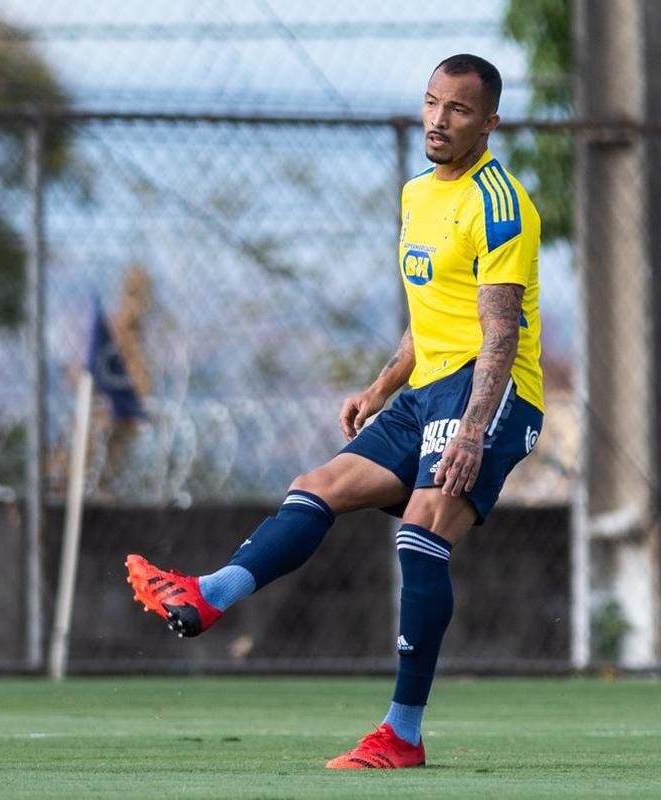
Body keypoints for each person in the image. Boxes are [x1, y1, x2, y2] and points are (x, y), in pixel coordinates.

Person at [125, 53, 543, 770]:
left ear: (489, 123)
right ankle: (209, 597)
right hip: (425, 389)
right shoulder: (417, 194)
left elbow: (497, 332)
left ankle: (400, 735)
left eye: (458, 110)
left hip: (489, 390)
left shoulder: (499, 203)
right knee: (316, 487)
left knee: (420, 534)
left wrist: (472, 430)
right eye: (431, 103)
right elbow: (433, 314)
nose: (438, 120)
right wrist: (381, 388)